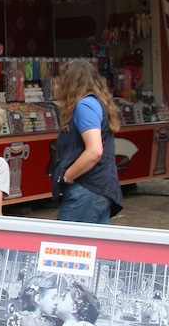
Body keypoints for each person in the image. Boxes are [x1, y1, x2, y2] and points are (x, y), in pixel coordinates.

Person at [50, 59, 124, 224]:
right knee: (93, 248)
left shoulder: (85, 106)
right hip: (99, 188)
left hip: (87, 189)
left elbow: (94, 151)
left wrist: (68, 175)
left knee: (64, 246)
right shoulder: (96, 103)